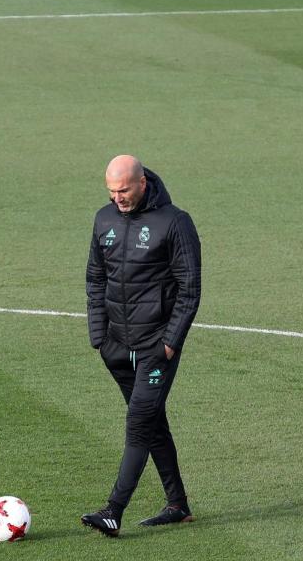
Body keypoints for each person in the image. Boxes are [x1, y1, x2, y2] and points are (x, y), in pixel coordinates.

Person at [80, 154, 202, 536]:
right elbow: (95, 278)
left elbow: (190, 287)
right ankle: (178, 504)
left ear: (142, 183)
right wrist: (99, 336)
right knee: (152, 423)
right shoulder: (104, 219)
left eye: (124, 190)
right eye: (112, 191)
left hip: (155, 348)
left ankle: (113, 511)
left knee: (137, 424)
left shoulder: (175, 222)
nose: (118, 197)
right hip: (116, 347)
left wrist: (170, 342)